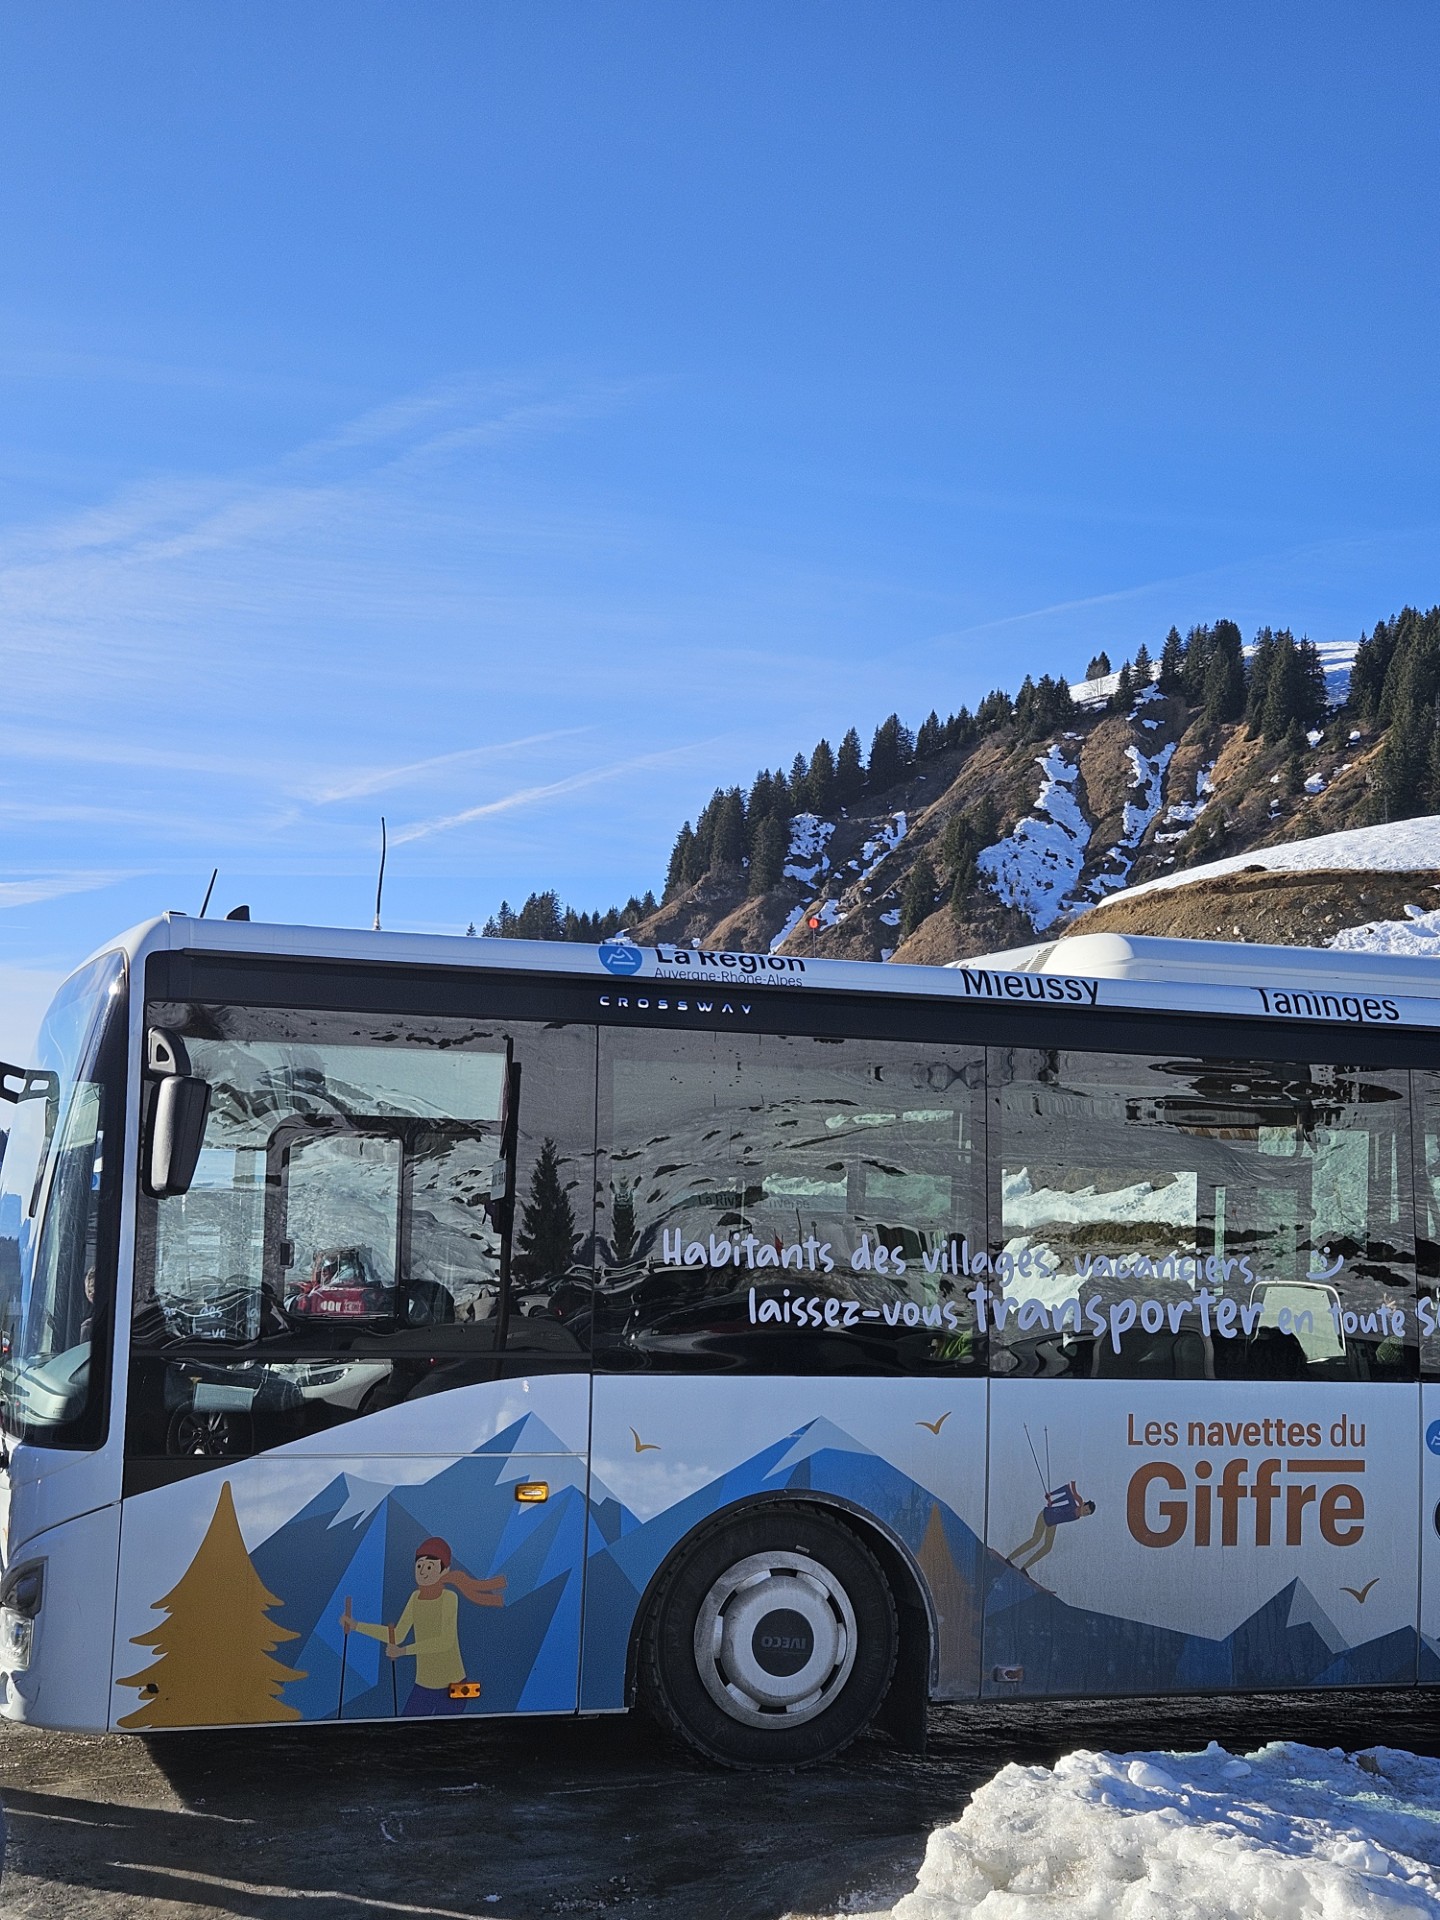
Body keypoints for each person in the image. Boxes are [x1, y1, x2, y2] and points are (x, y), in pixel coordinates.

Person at [341, 1538, 505, 1715]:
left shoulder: (449, 1598)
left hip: (454, 1685)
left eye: (429, 1567)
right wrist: (356, 1625)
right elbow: (397, 1635)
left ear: (444, 1570)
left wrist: (403, 1651)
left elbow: (445, 1641)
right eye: (419, 1566)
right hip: (424, 1686)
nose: (423, 1572)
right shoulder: (415, 1598)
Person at [1007, 1481, 1096, 1574]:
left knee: (1047, 1547)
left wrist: (1053, 1501)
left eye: (1087, 1514)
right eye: (1085, 1510)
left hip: (1053, 1523)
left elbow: (1065, 1496)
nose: (1084, 1513)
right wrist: (1051, 1495)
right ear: (1083, 1504)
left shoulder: (1077, 1517)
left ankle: (1024, 1568)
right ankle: (1009, 1558)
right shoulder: (1074, 1506)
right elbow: (1066, 1490)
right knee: (1035, 1540)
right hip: (1045, 1516)